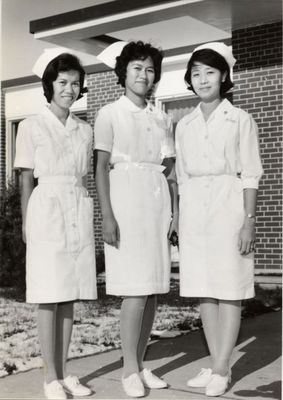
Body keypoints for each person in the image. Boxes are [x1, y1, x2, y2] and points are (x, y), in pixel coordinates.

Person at [175, 42, 263, 397]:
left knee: (228, 290)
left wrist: (249, 220)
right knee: (204, 291)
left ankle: (223, 368)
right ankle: (215, 364)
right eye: (196, 73)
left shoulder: (240, 120)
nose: (202, 79)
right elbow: (180, 177)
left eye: (209, 72)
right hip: (195, 211)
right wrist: (178, 218)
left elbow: (251, 174)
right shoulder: (185, 124)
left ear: (223, 76)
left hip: (229, 208)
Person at [94, 41, 178, 398]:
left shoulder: (161, 116)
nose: (144, 75)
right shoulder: (109, 113)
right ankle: (129, 368)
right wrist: (108, 216)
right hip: (125, 201)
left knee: (153, 289)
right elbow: (99, 168)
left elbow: (170, 169)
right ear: (123, 73)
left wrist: (174, 214)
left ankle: (140, 364)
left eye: (149, 69)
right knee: (134, 290)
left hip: (156, 202)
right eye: (136, 68)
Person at [14, 50, 97, 400]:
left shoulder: (84, 129)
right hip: (46, 208)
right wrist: (26, 222)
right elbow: (25, 180)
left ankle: (63, 372)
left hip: (76, 204)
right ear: (49, 84)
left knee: (69, 295)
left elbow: (84, 176)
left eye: (75, 83)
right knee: (49, 295)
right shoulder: (32, 126)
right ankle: (50, 377)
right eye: (63, 82)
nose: (69, 89)